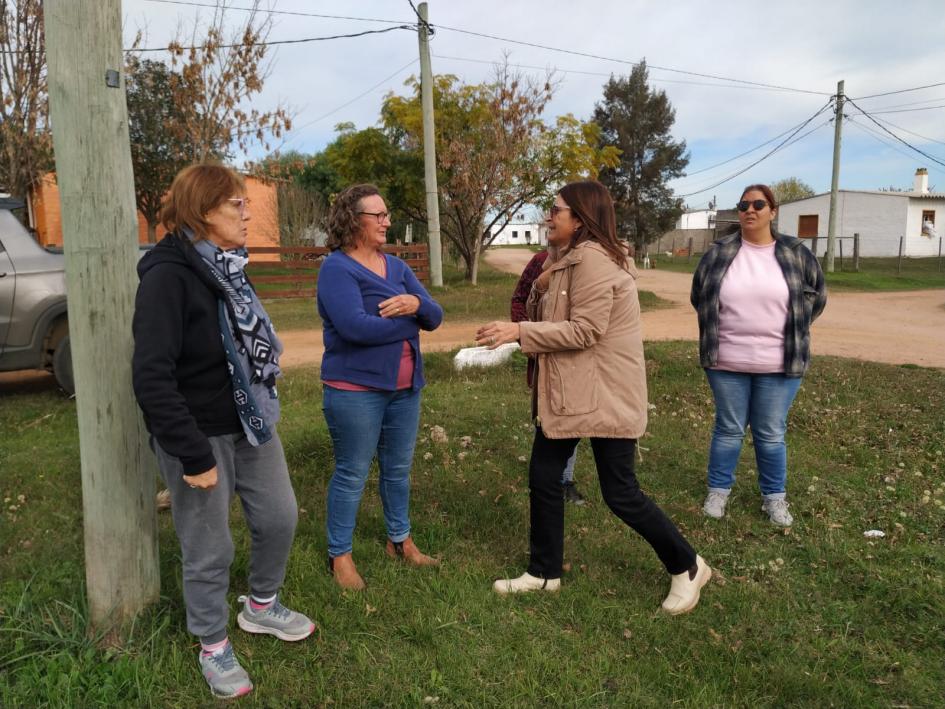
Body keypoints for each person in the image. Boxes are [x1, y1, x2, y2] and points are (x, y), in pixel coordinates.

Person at [477, 181, 711, 614]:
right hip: (571, 391)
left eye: (556, 210)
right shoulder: (565, 261)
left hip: (604, 393)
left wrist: (519, 333)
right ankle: (544, 572)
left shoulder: (596, 264)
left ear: (580, 220)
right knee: (545, 478)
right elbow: (549, 316)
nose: (549, 216)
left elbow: (586, 330)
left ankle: (688, 565)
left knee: (620, 492)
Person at [132, 164, 315, 700]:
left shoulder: (228, 267)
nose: (247, 211)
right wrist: (192, 456)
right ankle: (212, 643)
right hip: (199, 432)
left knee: (281, 516)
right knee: (209, 546)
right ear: (203, 211)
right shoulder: (167, 277)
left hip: (248, 420)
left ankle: (260, 606)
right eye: (236, 203)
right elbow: (151, 376)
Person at [317, 184, 443, 590]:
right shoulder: (336, 268)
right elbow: (354, 328)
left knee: (398, 470)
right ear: (355, 220)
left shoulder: (397, 267)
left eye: (387, 214)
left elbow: (436, 315)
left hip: (406, 387)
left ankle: (400, 541)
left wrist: (418, 305)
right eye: (380, 215)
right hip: (355, 389)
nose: (388, 221)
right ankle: (340, 555)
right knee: (352, 472)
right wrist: (411, 319)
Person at [690, 184, 827, 526]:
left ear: (773, 211)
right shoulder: (719, 252)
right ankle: (718, 491)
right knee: (728, 429)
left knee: (770, 434)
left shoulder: (796, 251)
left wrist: (796, 323)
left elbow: (817, 295)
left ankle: (774, 498)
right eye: (743, 204)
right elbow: (699, 295)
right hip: (726, 363)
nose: (749, 210)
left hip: (780, 364)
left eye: (758, 204)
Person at [511, 247, 586, 506]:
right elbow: (519, 300)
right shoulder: (540, 262)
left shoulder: (588, 264)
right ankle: (547, 482)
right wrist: (529, 342)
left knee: (572, 421)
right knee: (547, 423)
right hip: (545, 361)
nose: (550, 223)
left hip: (576, 364)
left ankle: (564, 480)